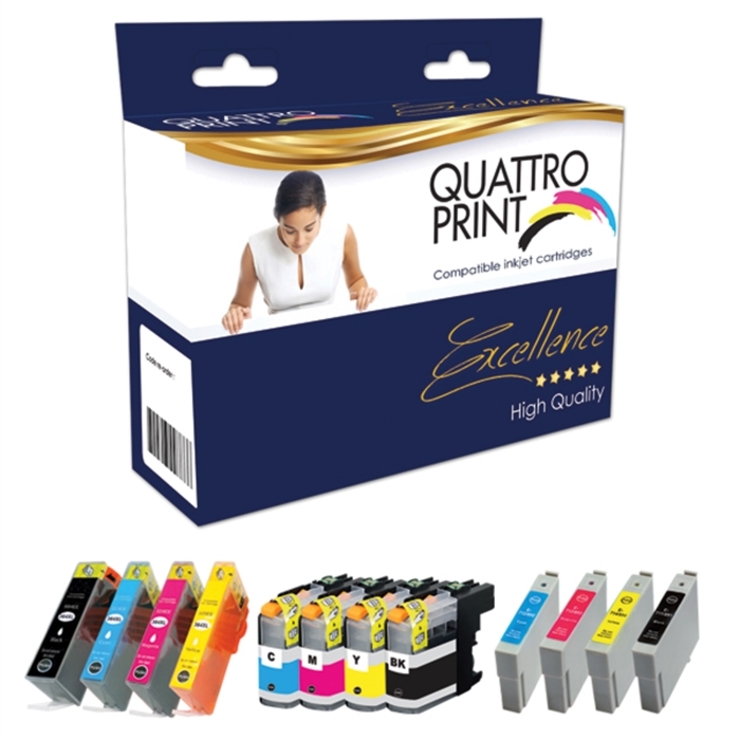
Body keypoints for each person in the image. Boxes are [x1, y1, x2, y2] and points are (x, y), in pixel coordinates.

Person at [222, 171, 377, 334]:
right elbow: (239, 305)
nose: (300, 241)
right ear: (278, 218)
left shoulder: (342, 234)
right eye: (289, 230)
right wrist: (236, 315)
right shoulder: (255, 249)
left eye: (309, 229)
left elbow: (356, 280)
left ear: (322, 211)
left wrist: (362, 294)